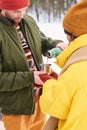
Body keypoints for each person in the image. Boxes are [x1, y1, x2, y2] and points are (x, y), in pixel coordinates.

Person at [0, 0, 68, 130]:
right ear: (3, 7)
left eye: (24, 9)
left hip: (38, 102)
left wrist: (54, 44)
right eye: (16, 11)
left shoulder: (28, 21)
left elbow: (41, 40)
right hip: (15, 109)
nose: (21, 15)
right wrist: (30, 78)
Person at [40, 1, 87, 130]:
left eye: (67, 32)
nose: (66, 37)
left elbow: (54, 105)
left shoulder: (77, 70)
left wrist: (49, 84)